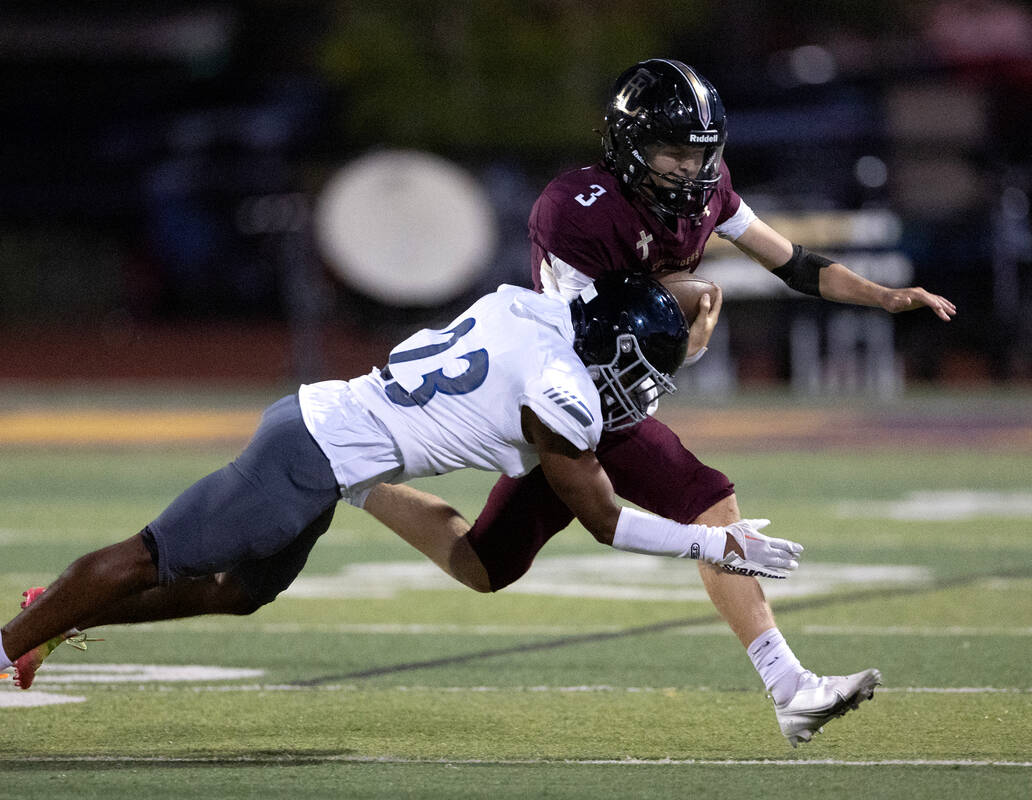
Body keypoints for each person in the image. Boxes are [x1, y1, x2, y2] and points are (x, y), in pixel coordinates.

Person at [0, 272, 805, 749]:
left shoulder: (530, 312)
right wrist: (714, 544)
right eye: (640, 370)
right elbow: (608, 518)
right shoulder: (560, 395)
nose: (643, 394)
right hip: (310, 449)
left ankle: (46, 626)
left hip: (329, 435)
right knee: (151, 554)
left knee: (242, 590)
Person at [372, 58, 957, 746]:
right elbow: (600, 338)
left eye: (701, 153)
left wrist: (885, 297)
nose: (690, 169)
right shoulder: (576, 209)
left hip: (615, 401)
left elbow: (791, 261)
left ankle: (791, 688)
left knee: (493, 562)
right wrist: (691, 306)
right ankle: (360, 484)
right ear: (629, 147)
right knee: (526, 552)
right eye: (673, 153)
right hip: (562, 403)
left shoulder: (710, 191)